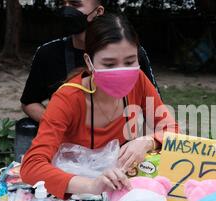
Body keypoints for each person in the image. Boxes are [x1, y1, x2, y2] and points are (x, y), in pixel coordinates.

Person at [20, 14, 179, 200]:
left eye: (129, 62)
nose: (121, 71)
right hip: (74, 193)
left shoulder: (139, 81)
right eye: (109, 64)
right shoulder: (67, 99)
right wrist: (93, 185)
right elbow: (31, 167)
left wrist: (147, 141)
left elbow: (171, 130)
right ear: (89, 62)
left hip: (121, 186)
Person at [20, 0, 160, 123]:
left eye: (75, 4)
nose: (66, 10)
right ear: (88, 61)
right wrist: (59, 124)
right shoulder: (48, 53)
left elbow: (153, 107)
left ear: (98, 11)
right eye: (64, 4)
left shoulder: (129, 54)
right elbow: (29, 102)